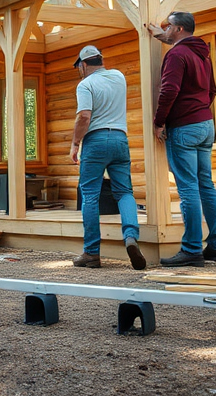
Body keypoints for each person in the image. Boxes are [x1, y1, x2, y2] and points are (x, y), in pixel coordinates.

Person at [147, 11, 216, 267]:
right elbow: (212, 90)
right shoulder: (201, 53)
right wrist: (199, 110)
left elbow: (169, 89)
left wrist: (159, 121)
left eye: (167, 26)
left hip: (185, 127)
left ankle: (192, 249)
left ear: (179, 29)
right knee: (206, 185)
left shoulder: (177, 55)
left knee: (188, 188)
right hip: (206, 125)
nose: (165, 30)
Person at [70, 44, 147, 270]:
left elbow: (84, 116)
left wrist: (75, 143)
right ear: (100, 60)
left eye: (79, 67)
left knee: (90, 196)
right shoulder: (118, 76)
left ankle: (92, 253)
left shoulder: (85, 84)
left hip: (95, 141)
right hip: (120, 140)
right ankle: (131, 236)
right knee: (124, 192)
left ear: (84, 64)